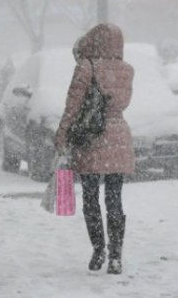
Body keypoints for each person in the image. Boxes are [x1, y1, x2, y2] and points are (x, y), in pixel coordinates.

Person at [55, 24, 135, 274]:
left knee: (90, 198)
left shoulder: (86, 67)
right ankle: (116, 256)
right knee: (115, 199)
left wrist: (62, 133)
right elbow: (120, 103)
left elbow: (73, 105)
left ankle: (98, 249)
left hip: (91, 137)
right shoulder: (127, 70)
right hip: (119, 135)